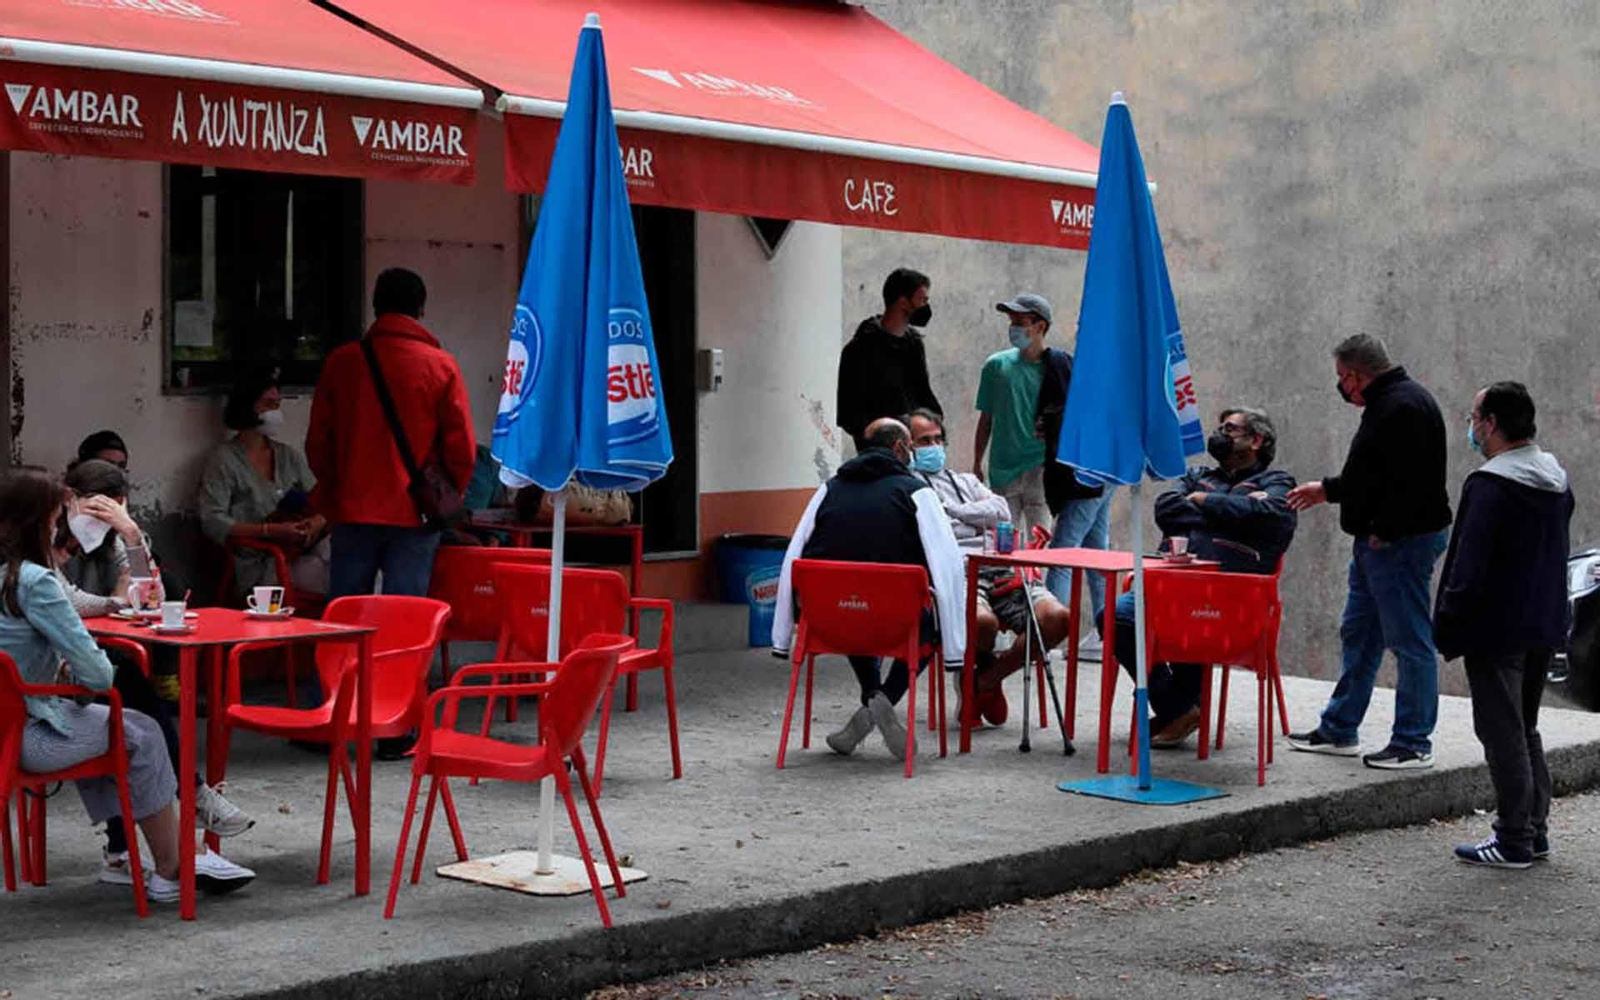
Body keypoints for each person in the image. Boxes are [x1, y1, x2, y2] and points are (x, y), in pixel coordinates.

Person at [0, 469, 254, 902]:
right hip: (26, 736)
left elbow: (145, 592)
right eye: (59, 516)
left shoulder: (13, 573)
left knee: (114, 720)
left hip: (14, 724)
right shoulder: (37, 579)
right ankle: (172, 868)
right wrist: (76, 664)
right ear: (42, 522)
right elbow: (99, 675)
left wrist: (132, 537)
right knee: (141, 731)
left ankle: (129, 852)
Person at [1287, 334, 1451, 769]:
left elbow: (1410, 483)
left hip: (1397, 543)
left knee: (1409, 641)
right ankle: (1339, 727)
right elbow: (1371, 475)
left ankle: (1413, 741)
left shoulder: (1401, 406)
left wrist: (1385, 530)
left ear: (1355, 376)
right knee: (1359, 633)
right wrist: (1328, 490)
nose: (1341, 386)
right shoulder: (1392, 403)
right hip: (1378, 542)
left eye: (1342, 377)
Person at [772, 417, 966, 761]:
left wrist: (783, 631)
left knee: (852, 604)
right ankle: (884, 699)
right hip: (897, 622)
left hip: (830, 622)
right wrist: (954, 640)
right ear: (900, 448)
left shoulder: (828, 489)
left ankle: (870, 700)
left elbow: (793, 555)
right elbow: (947, 562)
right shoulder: (917, 493)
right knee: (927, 627)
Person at [1435, 383, 1572, 868]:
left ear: (1491, 423)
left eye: (1474, 417)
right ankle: (1534, 832)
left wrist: (1448, 620)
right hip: (1543, 624)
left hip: (1495, 630)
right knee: (1525, 727)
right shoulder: (1556, 480)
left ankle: (1513, 839)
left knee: (1501, 733)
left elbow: (1468, 566)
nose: (1471, 426)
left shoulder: (1490, 485)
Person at [1112, 408, 1298, 746]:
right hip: (1170, 587)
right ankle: (1179, 709)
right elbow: (1167, 508)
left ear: (1256, 440)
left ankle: (1178, 712)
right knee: (1117, 618)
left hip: (1228, 600)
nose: (1220, 434)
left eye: (1230, 429)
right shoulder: (1197, 474)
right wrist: (1235, 512)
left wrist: (1203, 500)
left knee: (1189, 623)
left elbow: (1273, 516)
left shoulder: (1277, 482)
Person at [305, 268, 475, 599]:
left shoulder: (341, 362)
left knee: (346, 613)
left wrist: (337, 488)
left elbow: (318, 443)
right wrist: (446, 492)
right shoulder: (441, 366)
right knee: (405, 615)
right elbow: (461, 449)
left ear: (375, 306)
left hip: (352, 508)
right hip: (416, 510)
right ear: (421, 309)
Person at [904, 409, 1072, 727]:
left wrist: (955, 511)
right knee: (982, 623)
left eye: (938, 439)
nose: (934, 447)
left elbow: (1001, 510)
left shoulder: (965, 481)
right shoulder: (908, 488)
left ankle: (986, 680)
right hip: (959, 570)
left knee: (1058, 619)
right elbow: (932, 524)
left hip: (1001, 567)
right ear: (907, 447)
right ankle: (981, 674)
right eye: (925, 441)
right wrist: (978, 516)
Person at [197, 375, 329, 599]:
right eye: (268, 404)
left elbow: (323, 499)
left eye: (277, 404)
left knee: (345, 551)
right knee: (333, 575)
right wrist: (271, 531)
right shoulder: (224, 460)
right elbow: (213, 520)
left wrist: (316, 522)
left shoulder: (287, 455)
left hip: (301, 550)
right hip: (259, 561)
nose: (275, 412)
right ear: (247, 407)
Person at [1032, 303, 1111, 648]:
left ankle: (1047, 635)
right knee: (1095, 550)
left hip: (1092, 469)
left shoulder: (1101, 365)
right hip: (1103, 467)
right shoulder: (1099, 363)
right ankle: (1106, 633)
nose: (1079, 328)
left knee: (1062, 550)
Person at [836, 268, 941, 454]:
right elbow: (850, 414)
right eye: (922, 300)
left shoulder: (913, 344)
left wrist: (932, 427)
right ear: (903, 302)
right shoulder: (860, 349)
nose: (925, 306)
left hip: (916, 451)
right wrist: (882, 437)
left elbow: (923, 392)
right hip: (880, 454)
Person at [974, 294, 1052, 540]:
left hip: (1040, 469)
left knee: (1040, 544)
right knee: (1003, 543)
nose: (1014, 328)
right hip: (1003, 470)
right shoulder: (997, 366)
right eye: (1012, 322)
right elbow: (986, 417)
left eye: (1020, 322)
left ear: (1040, 326)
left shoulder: (1056, 368)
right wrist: (977, 462)